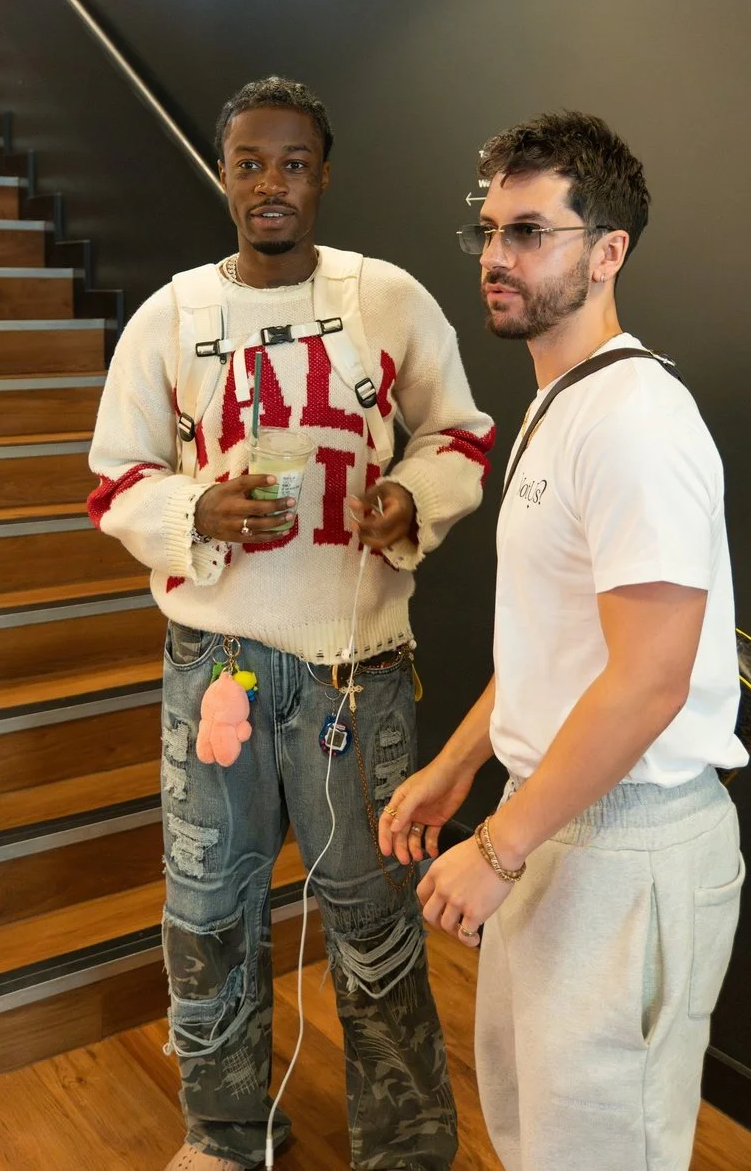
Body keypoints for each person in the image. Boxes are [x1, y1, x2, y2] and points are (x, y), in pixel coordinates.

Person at [87, 76, 495, 1171]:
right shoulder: (171, 316)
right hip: (214, 666)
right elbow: (115, 478)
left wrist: (408, 496)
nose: (271, 183)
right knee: (208, 911)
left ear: (324, 176)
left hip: (355, 670)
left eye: (294, 163)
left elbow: (458, 436)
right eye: (250, 163)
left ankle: (403, 1149)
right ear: (223, 175)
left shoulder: (387, 299)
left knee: (375, 912)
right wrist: (193, 510)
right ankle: (223, 1137)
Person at [380, 111, 747, 1171]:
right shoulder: (560, 404)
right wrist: (460, 766)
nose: (496, 257)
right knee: (537, 1135)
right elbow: (560, 651)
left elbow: (648, 684)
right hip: (555, 821)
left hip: (626, 844)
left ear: (607, 251)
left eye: (530, 232)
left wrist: (499, 846)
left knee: (599, 1151)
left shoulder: (636, 418)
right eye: (491, 231)